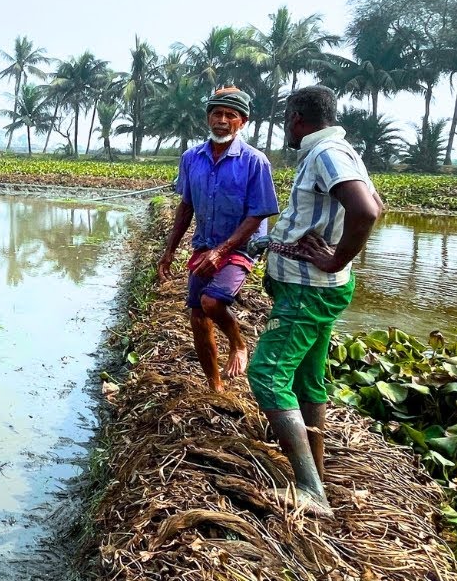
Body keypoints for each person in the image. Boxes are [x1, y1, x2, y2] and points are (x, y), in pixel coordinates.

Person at [246, 85, 384, 518]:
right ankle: (316, 472)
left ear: (297, 118)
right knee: (308, 377)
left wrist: (337, 256)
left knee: (267, 374)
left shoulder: (327, 153)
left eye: (288, 119)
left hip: (309, 291)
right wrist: (272, 240)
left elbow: (367, 210)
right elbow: (374, 200)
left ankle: (310, 491)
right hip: (311, 286)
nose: (287, 127)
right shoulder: (337, 150)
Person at [158, 86, 279, 394]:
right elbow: (186, 206)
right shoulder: (191, 158)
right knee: (197, 315)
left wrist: (223, 250)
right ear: (208, 117)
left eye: (230, 115)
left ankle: (238, 343)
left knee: (212, 301)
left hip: (240, 245)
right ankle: (215, 385)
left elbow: (258, 214)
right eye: (217, 113)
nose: (222, 120)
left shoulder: (255, 161)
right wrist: (169, 250)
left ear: (243, 121)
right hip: (205, 242)